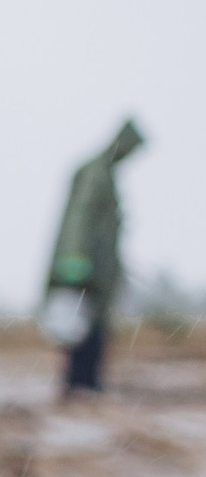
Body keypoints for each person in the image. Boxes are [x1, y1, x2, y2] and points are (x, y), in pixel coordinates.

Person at [43, 119, 146, 396]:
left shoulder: (105, 173)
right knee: (81, 323)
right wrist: (74, 258)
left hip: (98, 267)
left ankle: (86, 382)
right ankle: (80, 384)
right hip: (86, 267)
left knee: (93, 321)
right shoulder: (97, 173)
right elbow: (82, 214)